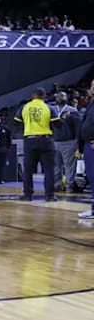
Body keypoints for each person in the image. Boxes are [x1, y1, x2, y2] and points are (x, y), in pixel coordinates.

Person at [15, 87, 59, 202]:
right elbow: (58, 125)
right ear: (44, 96)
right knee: (49, 169)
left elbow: (16, 122)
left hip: (30, 140)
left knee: (28, 170)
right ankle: (49, 195)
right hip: (46, 140)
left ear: (32, 96)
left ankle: (27, 195)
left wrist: (27, 127)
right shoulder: (50, 108)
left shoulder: (24, 107)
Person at [51, 91, 80, 193]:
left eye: (62, 95)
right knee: (55, 166)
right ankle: (57, 186)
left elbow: (78, 128)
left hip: (69, 142)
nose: (60, 97)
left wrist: (77, 143)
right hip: (54, 141)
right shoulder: (52, 110)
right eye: (58, 96)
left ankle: (69, 186)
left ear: (67, 98)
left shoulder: (72, 111)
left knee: (69, 166)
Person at [79, 81, 94, 219]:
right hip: (88, 145)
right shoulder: (91, 103)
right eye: (91, 85)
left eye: (93, 85)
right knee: (91, 177)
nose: (91, 88)